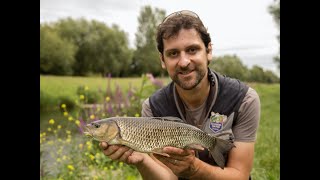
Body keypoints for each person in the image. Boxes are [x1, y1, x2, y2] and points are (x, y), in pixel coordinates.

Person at [100, 10, 260, 180]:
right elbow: (167, 178)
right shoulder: (152, 107)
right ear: (163, 60)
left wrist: (194, 169)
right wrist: (142, 161)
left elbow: (239, 176)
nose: (184, 62)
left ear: (208, 51)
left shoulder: (244, 99)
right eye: (173, 53)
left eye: (192, 50)